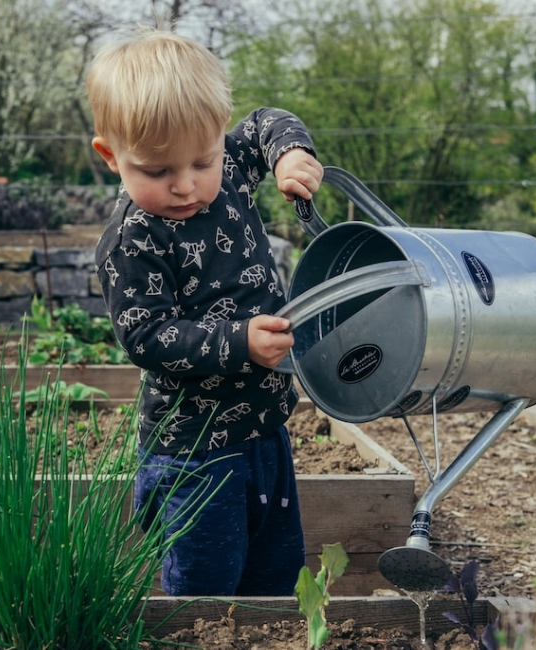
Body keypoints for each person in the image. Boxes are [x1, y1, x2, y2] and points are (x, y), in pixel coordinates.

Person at [86, 26, 324, 597]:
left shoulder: (233, 167)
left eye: (202, 160)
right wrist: (239, 341)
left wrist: (291, 154)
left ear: (219, 137)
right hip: (194, 453)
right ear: (110, 156)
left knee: (275, 575)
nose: (186, 185)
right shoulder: (133, 240)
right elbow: (147, 335)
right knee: (205, 591)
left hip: (267, 430)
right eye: (156, 171)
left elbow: (268, 120)